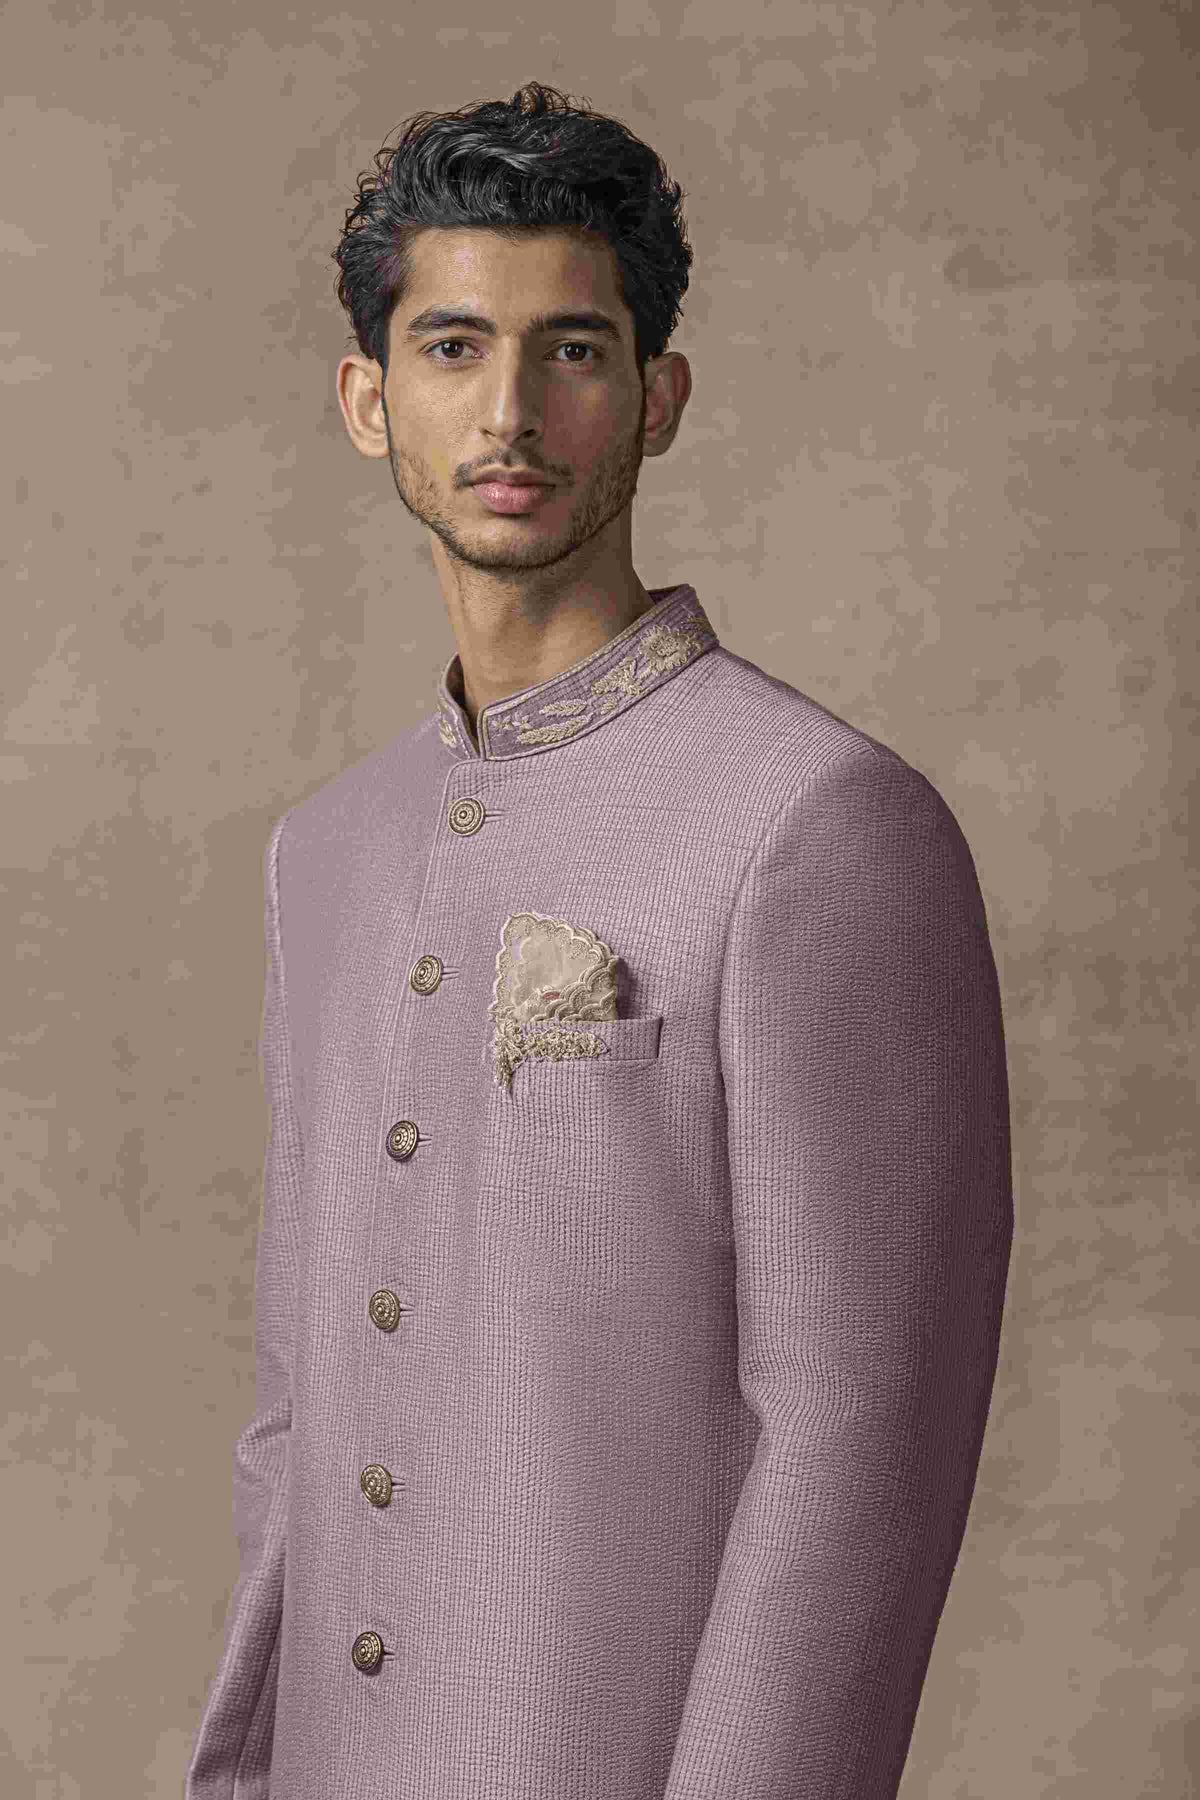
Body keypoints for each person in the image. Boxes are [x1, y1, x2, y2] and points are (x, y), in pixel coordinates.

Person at [185, 80, 1014, 1800]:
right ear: (368, 399)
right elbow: (299, 1408)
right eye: (453, 347)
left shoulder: (820, 824)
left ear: (659, 396)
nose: (509, 412)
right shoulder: (323, 854)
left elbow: (859, 1450)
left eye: (571, 350)